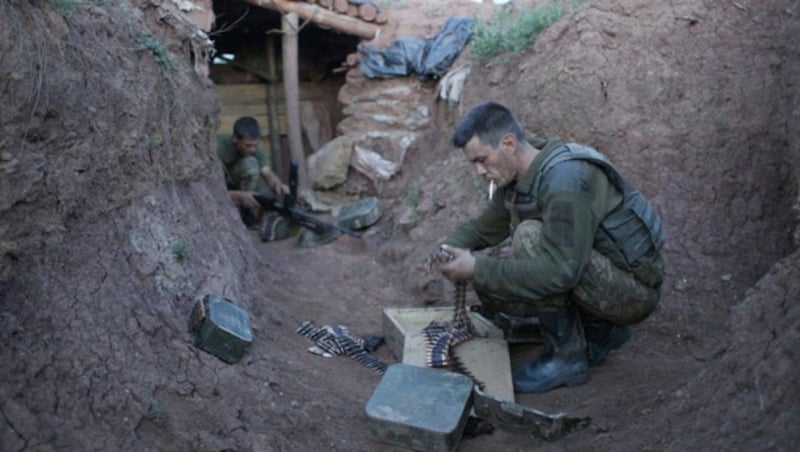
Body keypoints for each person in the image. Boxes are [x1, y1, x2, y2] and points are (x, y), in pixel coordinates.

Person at [428, 102, 665, 394]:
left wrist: (476, 268)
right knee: (499, 284)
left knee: (528, 238)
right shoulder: (521, 173)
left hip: (633, 294)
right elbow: (485, 227)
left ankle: (568, 359)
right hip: (597, 274)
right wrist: (448, 247)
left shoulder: (563, 179)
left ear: (509, 144)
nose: (478, 171)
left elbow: (560, 271)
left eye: (482, 159)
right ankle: (596, 330)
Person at [217, 116, 289, 229]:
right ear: (235, 139)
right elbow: (206, 189)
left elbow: (267, 173)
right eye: (248, 145)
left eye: (255, 145)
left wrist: (277, 185)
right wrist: (238, 196)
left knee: (251, 164)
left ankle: (245, 213)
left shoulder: (254, 148)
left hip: (233, 181)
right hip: (216, 183)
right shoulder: (218, 147)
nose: (253, 149)